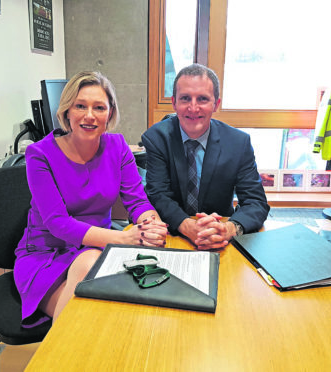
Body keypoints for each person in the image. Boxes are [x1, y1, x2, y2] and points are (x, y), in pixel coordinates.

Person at [14, 71, 168, 325]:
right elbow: (57, 223)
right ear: (66, 112)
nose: (89, 115)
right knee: (92, 317)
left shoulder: (118, 147)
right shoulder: (39, 154)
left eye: (99, 107)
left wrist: (149, 224)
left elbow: (137, 201)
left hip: (96, 247)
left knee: (115, 313)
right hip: (47, 255)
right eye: (80, 106)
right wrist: (124, 238)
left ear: (110, 114)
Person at [141, 64, 269, 250]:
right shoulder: (156, 138)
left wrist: (229, 229)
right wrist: (188, 227)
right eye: (185, 98)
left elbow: (256, 202)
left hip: (220, 236)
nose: (193, 108)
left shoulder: (238, 143)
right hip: (173, 234)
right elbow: (158, 195)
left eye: (202, 99)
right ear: (174, 102)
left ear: (216, 104)